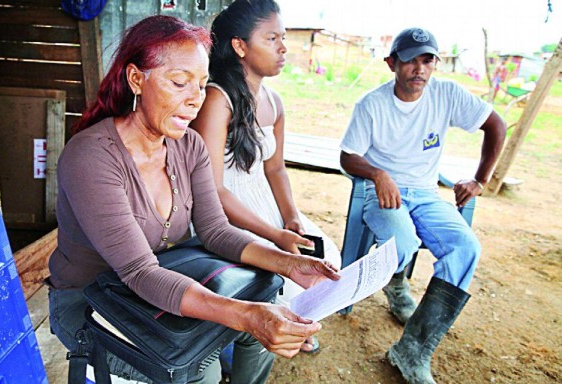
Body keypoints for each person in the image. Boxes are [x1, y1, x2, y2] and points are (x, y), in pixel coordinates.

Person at [46, 15, 340, 384]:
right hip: (92, 302)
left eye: (201, 86)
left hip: (163, 275)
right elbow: (139, 272)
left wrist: (288, 264)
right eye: (180, 83)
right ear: (137, 79)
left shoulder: (188, 145)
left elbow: (216, 230)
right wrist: (246, 314)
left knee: (265, 315)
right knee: (202, 369)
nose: (194, 101)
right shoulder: (93, 157)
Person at [339, 28, 506, 384]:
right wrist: (378, 173)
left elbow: (495, 125)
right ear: (392, 64)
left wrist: (479, 179)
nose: (419, 68)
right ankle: (397, 281)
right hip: (381, 192)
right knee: (402, 243)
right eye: (410, 60)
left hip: (427, 194)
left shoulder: (446, 94)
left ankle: (412, 351)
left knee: (466, 248)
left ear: (435, 64)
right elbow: (347, 156)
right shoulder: (372, 104)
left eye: (427, 59)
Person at [190, 0, 342, 354]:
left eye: (283, 37)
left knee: (326, 255)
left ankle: (289, 324)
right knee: (280, 274)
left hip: (267, 206)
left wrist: (290, 218)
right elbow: (212, 190)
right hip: (227, 214)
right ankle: (256, 336)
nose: (284, 47)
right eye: (271, 38)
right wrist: (274, 234)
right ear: (240, 46)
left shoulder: (273, 101)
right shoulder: (217, 100)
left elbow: (275, 169)